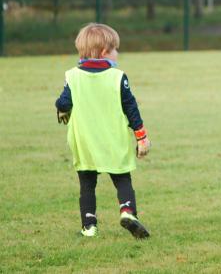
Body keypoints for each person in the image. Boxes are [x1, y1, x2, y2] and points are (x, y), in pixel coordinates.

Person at [55, 23, 151, 239]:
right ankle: (127, 211)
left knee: (87, 183)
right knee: (122, 179)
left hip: (85, 142)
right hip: (113, 140)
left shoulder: (72, 76)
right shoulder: (118, 77)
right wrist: (141, 136)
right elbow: (131, 108)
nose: (118, 53)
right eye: (116, 49)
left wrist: (62, 110)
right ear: (104, 52)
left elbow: (63, 102)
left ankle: (89, 226)